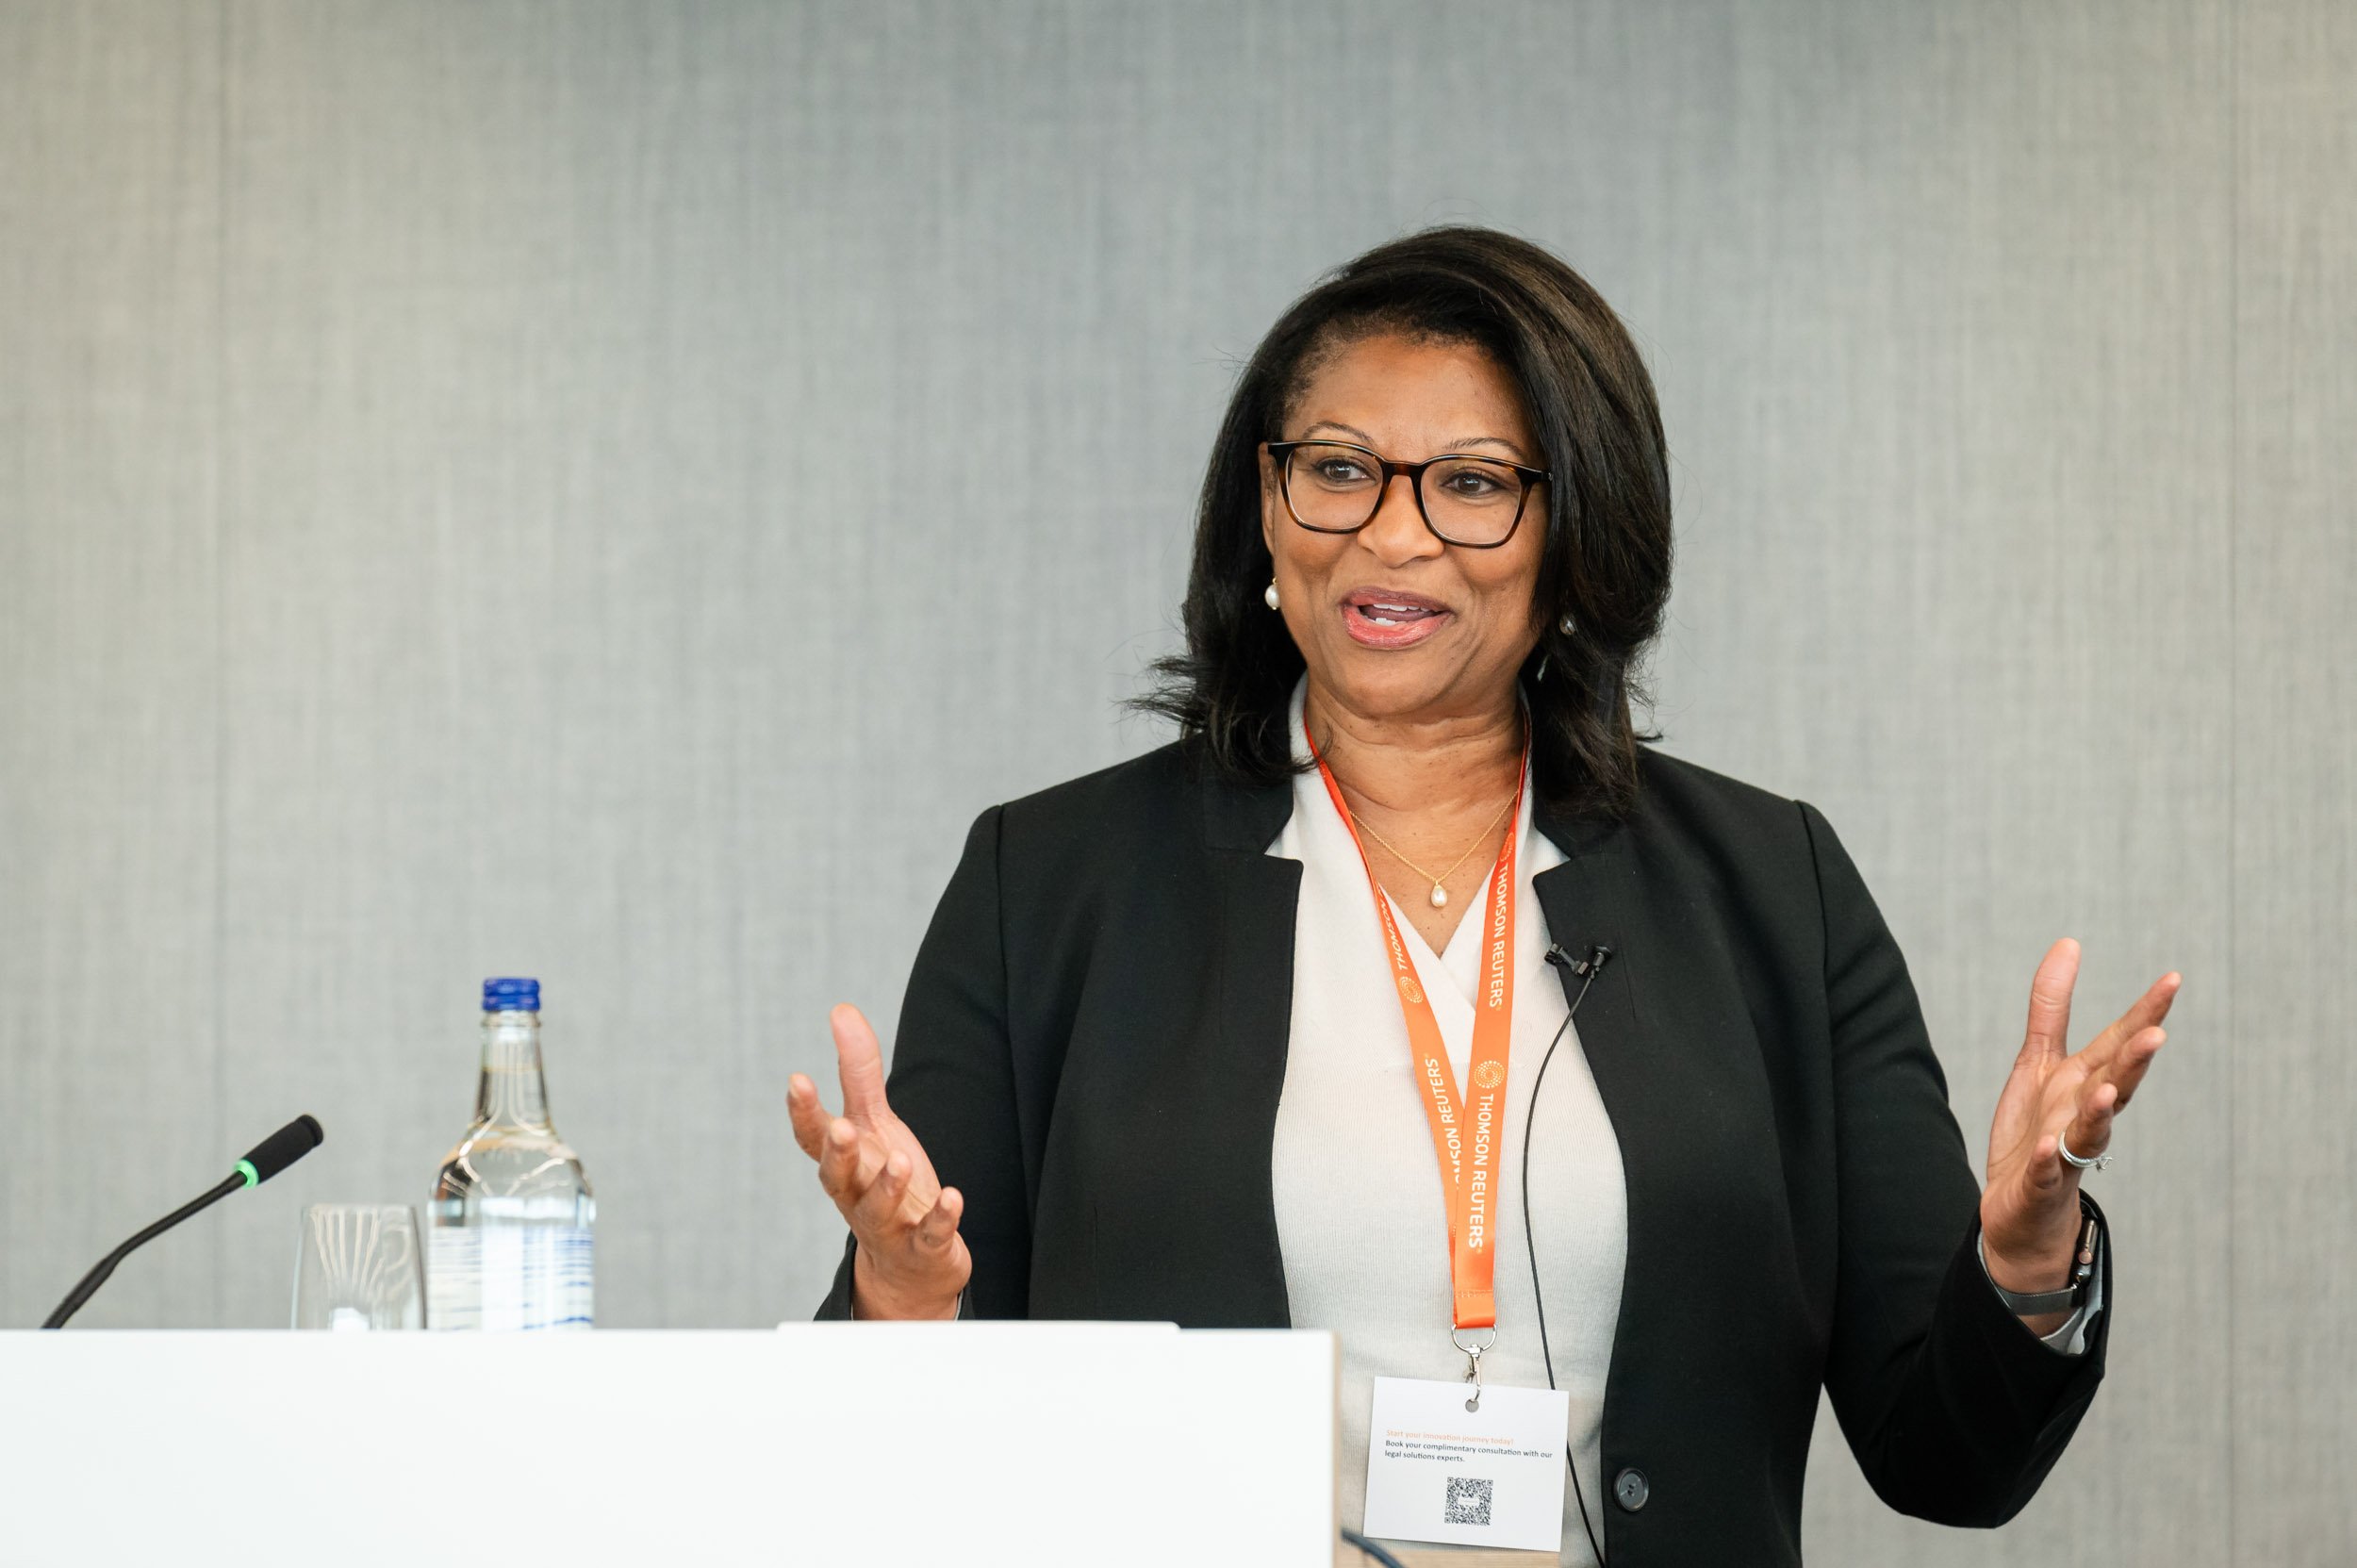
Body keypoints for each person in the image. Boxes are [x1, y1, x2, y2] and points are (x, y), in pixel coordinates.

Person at [784, 226, 2177, 1564]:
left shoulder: (1772, 891)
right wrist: (902, 1301)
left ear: (1575, 538)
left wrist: (2025, 1260)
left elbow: (1950, 1459)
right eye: (1338, 468)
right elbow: (892, 1472)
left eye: (1470, 482)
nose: (1391, 535)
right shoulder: (1055, 888)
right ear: (1265, 510)